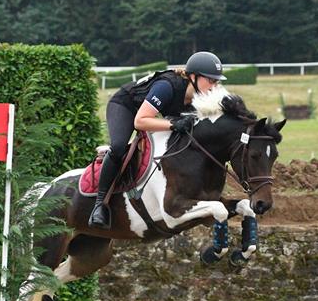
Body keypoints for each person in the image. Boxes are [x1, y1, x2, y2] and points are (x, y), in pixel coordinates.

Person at [88, 51, 227, 228]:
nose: (215, 86)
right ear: (193, 76)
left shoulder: (198, 97)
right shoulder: (166, 87)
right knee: (118, 147)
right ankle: (100, 205)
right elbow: (140, 121)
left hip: (151, 114)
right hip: (127, 106)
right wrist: (173, 124)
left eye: (217, 81)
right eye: (211, 80)